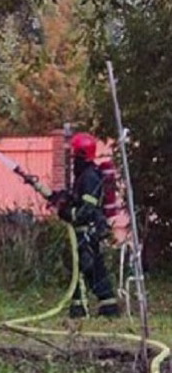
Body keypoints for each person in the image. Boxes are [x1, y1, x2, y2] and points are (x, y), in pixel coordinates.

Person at [49, 132, 119, 318]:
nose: (73, 160)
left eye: (74, 155)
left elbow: (87, 209)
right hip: (84, 232)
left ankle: (81, 310)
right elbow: (78, 200)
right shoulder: (84, 176)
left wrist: (67, 213)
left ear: (81, 155)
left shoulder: (88, 177)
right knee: (92, 269)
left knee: (82, 269)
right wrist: (62, 199)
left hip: (87, 232)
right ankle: (107, 307)